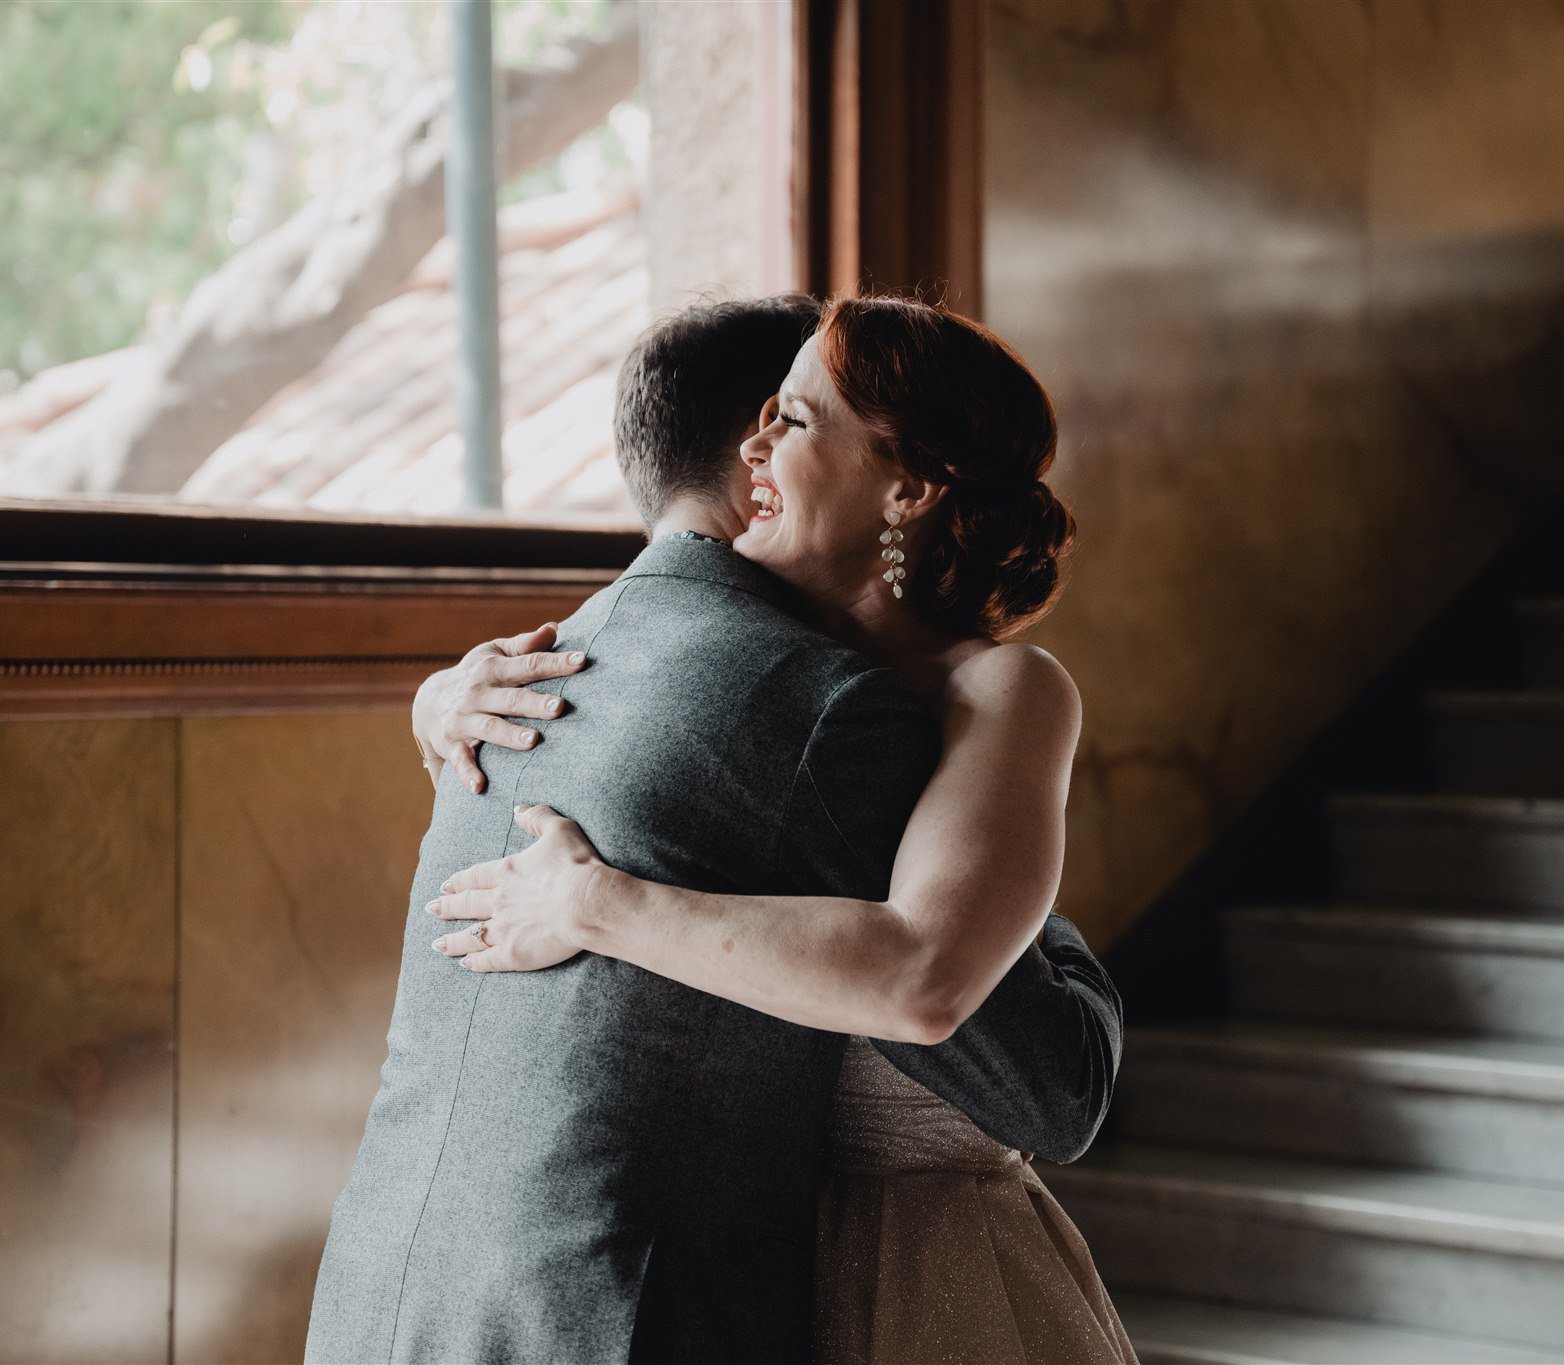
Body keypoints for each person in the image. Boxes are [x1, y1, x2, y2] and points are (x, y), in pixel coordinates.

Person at [305, 296, 1128, 1365]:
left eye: (790, 419)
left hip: (912, 1266)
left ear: (908, 488)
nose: (756, 445)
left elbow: (955, 1004)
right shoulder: (662, 677)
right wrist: (432, 702)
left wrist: (593, 902)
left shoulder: (980, 688)